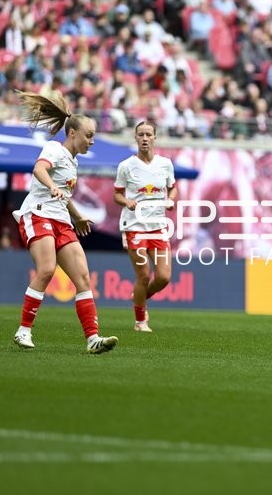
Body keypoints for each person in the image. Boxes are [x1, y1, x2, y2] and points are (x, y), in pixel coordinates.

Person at [12, 90, 118, 354]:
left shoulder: (73, 162)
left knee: (83, 277)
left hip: (61, 220)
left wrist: (77, 215)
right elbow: (39, 170)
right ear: (73, 133)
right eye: (89, 135)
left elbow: (64, 194)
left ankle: (93, 339)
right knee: (47, 269)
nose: (91, 141)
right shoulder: (54, 149)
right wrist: (53, 188)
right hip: (37, 213)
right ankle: (23, 330)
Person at [114, 121, 178, 332]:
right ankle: (140, 321)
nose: (144, 138)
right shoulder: (126, 166)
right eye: (140, 134)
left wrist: (171, 200)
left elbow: (173, 188)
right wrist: (127, 202)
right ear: (135, 138)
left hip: (158, 226)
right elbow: (117, 194)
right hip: (135, 226)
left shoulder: (165, 164)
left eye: (148, 134)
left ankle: (139, 297)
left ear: (154, 138)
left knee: (164, 277)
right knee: (143, 275)